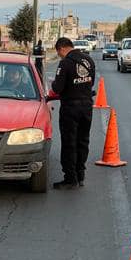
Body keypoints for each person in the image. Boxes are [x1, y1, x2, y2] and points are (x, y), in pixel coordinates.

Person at [48, 36, 96, 190]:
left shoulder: (65, 63)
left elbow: (58, 88)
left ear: (61, 48)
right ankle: (80, 174)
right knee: (83, 140)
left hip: (71, 107)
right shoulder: (88, 60)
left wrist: (53, 83)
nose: (60, 56)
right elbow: (91, 81)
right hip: (87, 106)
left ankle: (70, 178)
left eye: (59, 53)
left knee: (69, 142)